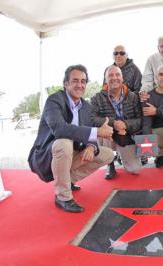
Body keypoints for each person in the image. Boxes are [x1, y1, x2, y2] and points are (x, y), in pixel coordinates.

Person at [28, 64, 114, 213]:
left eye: (83, 81)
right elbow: (59, 129)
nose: (80, 85)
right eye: (75, 81)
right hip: (47, 157)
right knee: (64, 142)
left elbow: (88, 134)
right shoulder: (54, 100)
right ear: (66, 84)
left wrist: (90, 146)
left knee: (107, 154)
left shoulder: (86, 107)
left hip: (71, 154)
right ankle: (63, 196)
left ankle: (68, 181)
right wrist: (97, 131)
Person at [91, 65, 142, 179]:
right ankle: (110, 163)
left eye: (117, 74)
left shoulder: (133, 97)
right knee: (100, 132)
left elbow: (140, 120)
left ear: (122, 78)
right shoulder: (97, 98)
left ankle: (121, 155)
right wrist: (114, 123)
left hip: (126, 135)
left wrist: (126, 125)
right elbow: (91, 119)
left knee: (135, 169)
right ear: (105, 80)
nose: (114, 78)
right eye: (110, 75)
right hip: (108, 135)